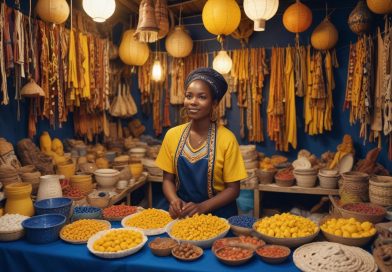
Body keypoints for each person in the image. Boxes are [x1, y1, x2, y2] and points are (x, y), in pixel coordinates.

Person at [155, 67, 247, 219]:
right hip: (182, 214)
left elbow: (233, 189)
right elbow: (167, 180)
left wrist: (202, 207)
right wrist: (174, 200)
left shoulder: (227, 139)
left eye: (202, 97)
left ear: (214, 103)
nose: (193, 102)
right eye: (189, 96)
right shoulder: (172, 135)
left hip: (219, 216)